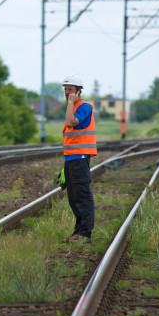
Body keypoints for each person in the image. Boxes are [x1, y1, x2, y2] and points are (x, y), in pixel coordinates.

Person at [60, 74, 96, 244]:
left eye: (70, 90)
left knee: (82, 196)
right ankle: (78, 232)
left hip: (80, 158)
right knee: (73, 197)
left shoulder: (84, 107)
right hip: (71, 159)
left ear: (78, 91)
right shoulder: (73, 107)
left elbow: (70, 123)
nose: (67, 92)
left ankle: (84, 234)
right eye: (66, 89)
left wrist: (70, 104)